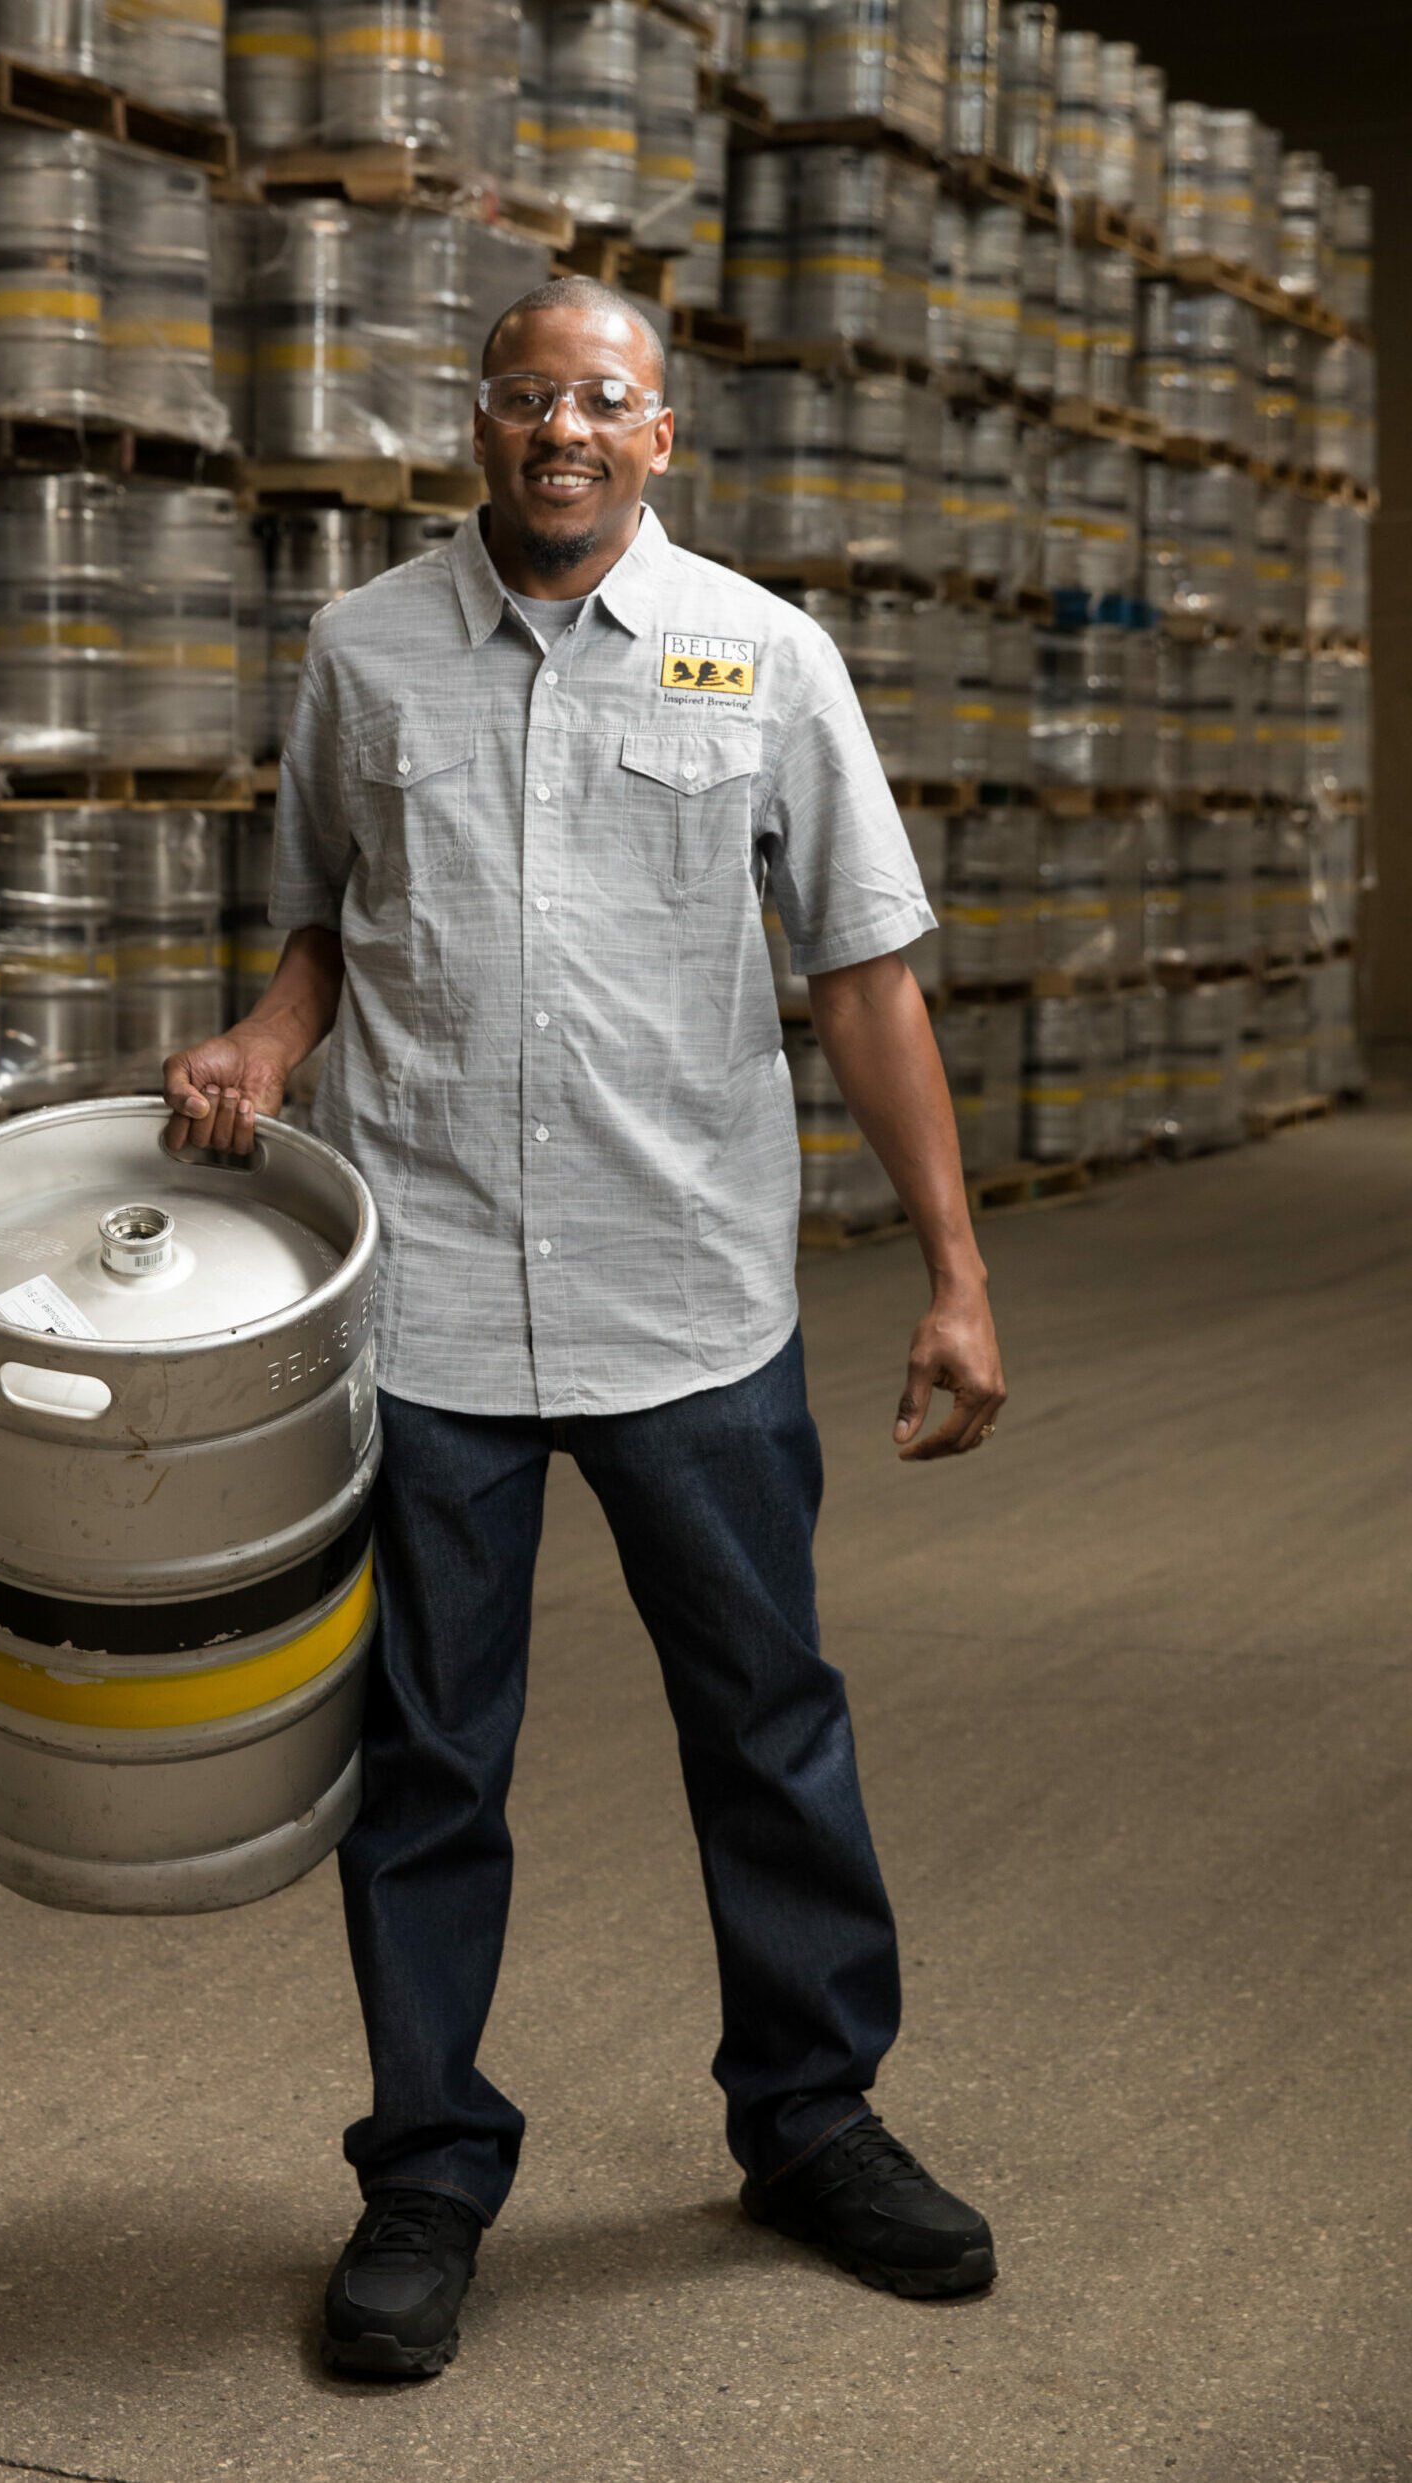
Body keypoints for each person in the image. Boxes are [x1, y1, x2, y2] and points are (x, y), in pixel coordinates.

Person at [163, 276, 1008, 2379]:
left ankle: (812, 2123)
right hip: (429, 1308)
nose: (564, 429)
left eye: (602, 399)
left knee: (770, 1728)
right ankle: (428, 2173)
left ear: (662, 432)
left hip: (688, 1299)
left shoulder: (764, 656)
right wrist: (264, 1047)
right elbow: (323, 936)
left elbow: (867, 979)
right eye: (530, 396)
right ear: (477, 422)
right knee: (427, 1763)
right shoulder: (362, 654)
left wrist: (959, 1275)